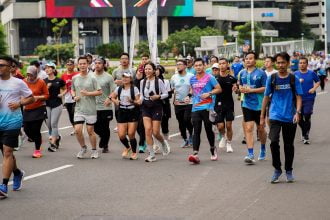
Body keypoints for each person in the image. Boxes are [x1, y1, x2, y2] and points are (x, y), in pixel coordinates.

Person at [260, 52, 303, 183]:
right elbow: (266, 97)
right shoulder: (272, 78)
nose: (280, 65)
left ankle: (289, 170)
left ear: (288, 63)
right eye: (278, 62)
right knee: (273, 141)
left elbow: (298, 96)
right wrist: (262, 116)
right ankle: (277, 169)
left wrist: (298, 112)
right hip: (274, 115)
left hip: (290, 116)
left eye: (283, 62)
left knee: (288, 145)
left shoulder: (292, 78)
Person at [0, 56, 34, 199]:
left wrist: (19, 103)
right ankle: (18, 173)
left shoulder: (18, 83)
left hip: (12, 122)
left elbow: (31, 98)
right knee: (6, 153)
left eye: (2, 65)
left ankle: (3, 186)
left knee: (7, 152)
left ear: (10, 67)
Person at [188, 58, 221, 164]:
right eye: (196, 65)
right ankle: (195, 153)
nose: (198, 67)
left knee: (208, 130)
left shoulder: (209, 77)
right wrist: (189, 96)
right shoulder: (192, 79)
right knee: (196, 130)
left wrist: (209, 93)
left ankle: (212, 149)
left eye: (200, 65)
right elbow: (192, 90)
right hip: (196, 108)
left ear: (204, 66)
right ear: (194, 67)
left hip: (208, 108)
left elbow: (219, 89)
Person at [239, 51, 267, 164]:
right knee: (249, 128)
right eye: (246, 59)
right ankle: (250, 154)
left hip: (260, 105)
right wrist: (240, 89)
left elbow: (265, 88)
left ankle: (263, 148)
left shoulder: (261, 73)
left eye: (251, 58)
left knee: (260, 129)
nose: (248, 60)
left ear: (255, 60)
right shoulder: (242, 73)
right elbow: (240, 85)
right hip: (247, 104)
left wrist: (252, 90)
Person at [72, 56, 102, 159]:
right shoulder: (75, 78)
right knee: (77, 130)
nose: (82, 65)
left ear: (88, 65)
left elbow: (99, 91)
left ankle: (94, 150)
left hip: (90, 109)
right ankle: (83, 147)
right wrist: (74, 96)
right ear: (78, 65)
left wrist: (88, 93)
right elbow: (72, 89)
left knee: (90, 131)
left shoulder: (92, 77)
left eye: (84, 63)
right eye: (80, 64)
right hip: (79, 108)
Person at [139, 62, 170, 162]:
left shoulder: (159, 81)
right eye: (146, 69)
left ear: (153, 70)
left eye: (149, 69)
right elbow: (141, 94)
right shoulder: (142, 82)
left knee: (156, 132)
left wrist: (158, 96)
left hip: (156, 106)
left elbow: (166, 94)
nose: (147, 71)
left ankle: (163, 143)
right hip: (146, 106)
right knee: (148, 130)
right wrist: (140, 99)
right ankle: (152, 155)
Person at [111, 72, 140, 160]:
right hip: (122, 111)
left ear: (131, 79)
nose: (125, 79)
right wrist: (115, 101)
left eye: (127, 77)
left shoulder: (134, 89)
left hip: (132, 111)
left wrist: (132, 101)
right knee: (121, 135)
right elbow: (112, 97)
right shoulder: (119, 89)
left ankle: (134, 153)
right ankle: (128, 147)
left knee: (131, 133)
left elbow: (138, 102)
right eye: (123, 77)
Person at [23, 66, 49, 158]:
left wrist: (37, 97)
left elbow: (46, 95)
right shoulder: (24, 82)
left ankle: (37, 150)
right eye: (28, 75)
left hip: (39, 108)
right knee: (26, 129)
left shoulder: (41, 82)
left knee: (36, 129)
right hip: (27, 108)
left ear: (35, 74)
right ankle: (36, 139)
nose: (30, 77)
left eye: (31, 75)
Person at [294, 57, 320, 144]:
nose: (302, 64)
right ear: (298, 64)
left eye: (303, 63)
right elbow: (291, 84)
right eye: (300, 63)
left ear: (307, 64)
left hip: (309, 97)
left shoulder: (311, 73)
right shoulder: (295, 74)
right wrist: (297, 82)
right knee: (299, 118)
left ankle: (306, 135)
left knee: (307, 114)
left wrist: (314, 88)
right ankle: (305, 132)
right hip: (298, 98)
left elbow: (318, 81)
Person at [92, 57, 115, 153]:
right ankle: (103, 137)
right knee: (95, 128)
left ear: (104, 65)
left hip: (106, 107)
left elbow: (114, 91)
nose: (97, 65)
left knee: (105, 127)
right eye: (96, 63)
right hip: (93, 107)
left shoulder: (108, 77)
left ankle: (105, 145)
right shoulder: (91, 76)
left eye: (99, 63)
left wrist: (110, 98)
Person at [215, 58, 237, 153]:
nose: (222, 65)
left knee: (228, 125)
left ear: (227, 64)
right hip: (218, 104)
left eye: (224, 63)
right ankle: (223, 137)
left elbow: (237, 90)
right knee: (220, 126)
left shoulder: (232, 78)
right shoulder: (214, 78)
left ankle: (229, 143)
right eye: (220, 64)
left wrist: (236, 89)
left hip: (229, 104)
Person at [171, 59, 194, 148]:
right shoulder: (174, 77)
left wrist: (189, 95)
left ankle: (191, 136)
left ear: (185, 66)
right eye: (177, 64)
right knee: (180, 122)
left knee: (187, 119)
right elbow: (173, 89)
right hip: (178, 103)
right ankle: (185, 139)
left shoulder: (191, 76)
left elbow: (193, 88)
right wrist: (174, 100)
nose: (178, 66)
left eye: (180, 64)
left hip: (189, 102)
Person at [44, 62, 66, 152]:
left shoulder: (59, 80)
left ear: (53, 69)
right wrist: (47, 87)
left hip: (57, 104)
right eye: (46, 68)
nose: (47, 69)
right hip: (47, 104)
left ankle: (53, 144)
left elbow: (66, 88)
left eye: (49, 68)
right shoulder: (44, 81)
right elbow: (42, 93)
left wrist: (62, 94)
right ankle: (57, 136)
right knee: (49, 124)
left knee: (53, 124)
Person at [112, 53, 136, 132]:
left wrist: (123, 82)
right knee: (118, 110)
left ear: (129, 60)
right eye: (122, 58)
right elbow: (112, 82)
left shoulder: (132, 70)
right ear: (120, 60)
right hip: (119, 94)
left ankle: (130, 125)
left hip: (130, 94)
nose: (124, 60)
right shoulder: (116, 71)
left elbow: (135, 82)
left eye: (126, 58)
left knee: (130, 110)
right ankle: (119, 124)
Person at [61, 59, 79, 135]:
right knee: (70, 114)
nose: (69, 66)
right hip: (67, 97)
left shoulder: (77, 74)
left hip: (76, 96)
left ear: (74, 66)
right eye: (68, 64)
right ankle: (75, 128)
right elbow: (61, 87)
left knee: (75, 113)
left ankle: (78, 128)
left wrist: (72, 82)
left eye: (71, 64)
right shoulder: (63, 75)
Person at [133, 63, 147, 153]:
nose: (139, 73)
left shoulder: (146, 81)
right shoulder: (133, 82)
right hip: (134, 106)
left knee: (141, 126)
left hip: (144, 106)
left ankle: (141, 144)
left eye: (141, 72)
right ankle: (144, 139)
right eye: (138, 71)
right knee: (137, 127)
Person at [156, 65, 172, 140]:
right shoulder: (149, 81)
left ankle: (165, 137)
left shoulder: (166, 82)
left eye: (157, 70)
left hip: (164, 104)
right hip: (154, 105)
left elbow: (169, 95)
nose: (155, 71)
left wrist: (160, 96)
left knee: (164, 123)